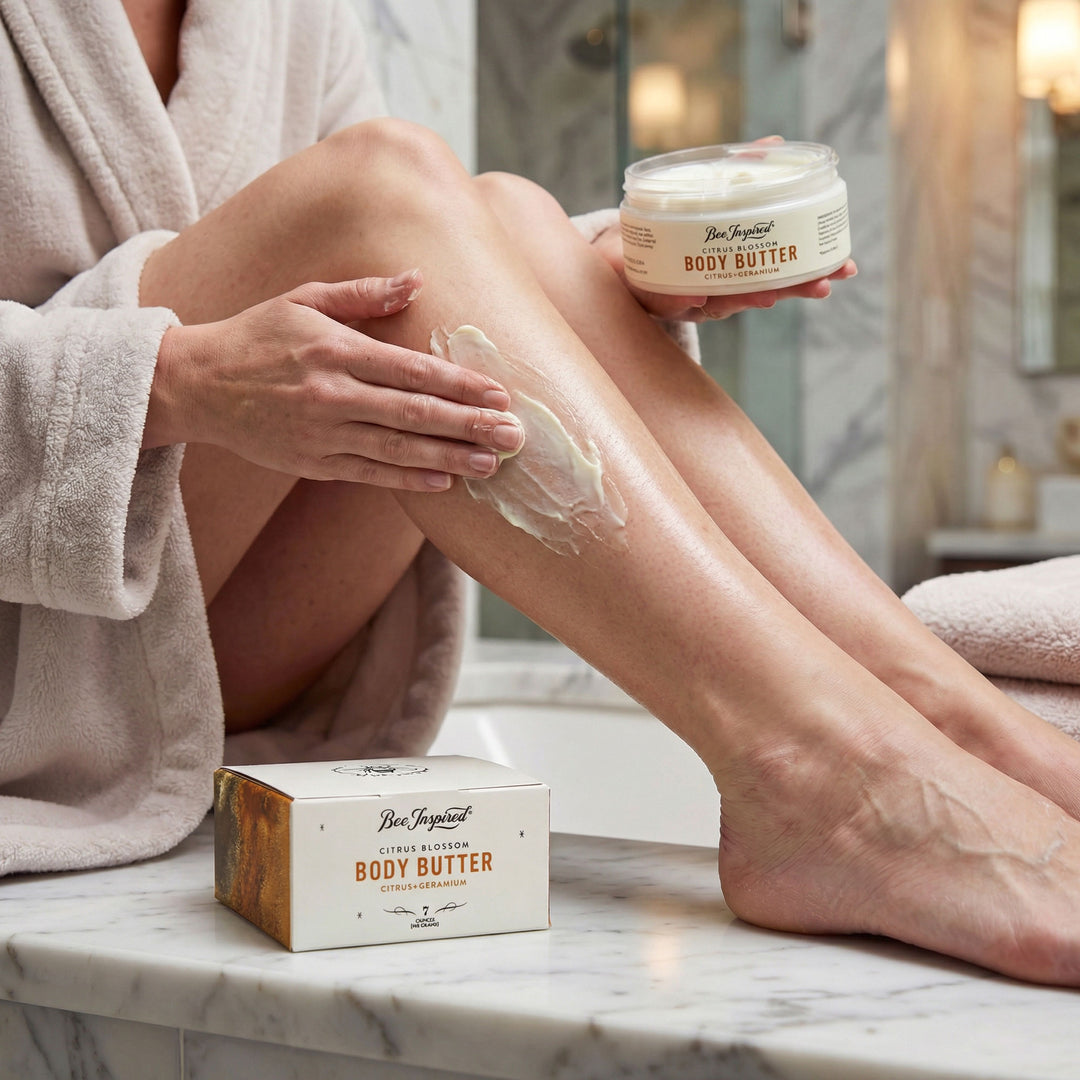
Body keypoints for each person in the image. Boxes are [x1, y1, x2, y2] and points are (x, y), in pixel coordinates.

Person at [3, 0, 1080, 987]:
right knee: (377, 185)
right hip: (32, 641)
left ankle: (950, 718)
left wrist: (606, 286)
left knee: (511, 216)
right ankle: (821, 770)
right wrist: (173, 383)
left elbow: (390, 274)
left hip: (201, 632)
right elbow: (351, 220)